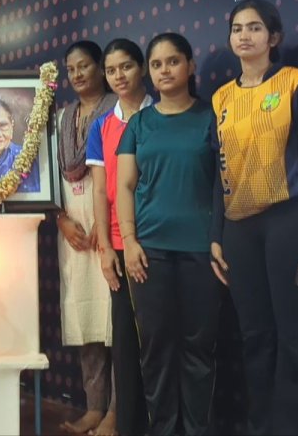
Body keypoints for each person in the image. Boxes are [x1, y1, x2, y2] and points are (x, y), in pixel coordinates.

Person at [208, 0, 298, 435]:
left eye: (255, 28)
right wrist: (217, 233)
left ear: (273, 37)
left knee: (297, 337)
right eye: (237, 28)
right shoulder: (221, 98)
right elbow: (218, 169)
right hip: (240, 230)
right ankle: (263, 427)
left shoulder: (297, 84)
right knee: (255, 338)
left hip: (290, 223)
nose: (245, 36)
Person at [118, 33, 221, 436]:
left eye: (173, 61)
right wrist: (129, 242)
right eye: (157, 64)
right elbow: (125, 186)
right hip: (150, 254)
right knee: (156, 350)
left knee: (199, 350)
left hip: (202, 252)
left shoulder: (212, 117)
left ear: (190, 66)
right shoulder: (139, 124)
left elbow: (224, 184)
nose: (165, 70)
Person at [88, 38, 152, 436]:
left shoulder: (162, 113)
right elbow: (100, 190)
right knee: (126, 343)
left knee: (161, 341)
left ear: (141, 67)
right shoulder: (102, 126)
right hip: (117, 242)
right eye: (111, 70)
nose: (119, 76)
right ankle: (126, 425)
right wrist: (105, 249)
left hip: (159, 238)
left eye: (126, 66)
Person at [55, 41, 117, 435]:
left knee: (117, 324)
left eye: (84, 66)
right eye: (71, 69)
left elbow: (127, 171)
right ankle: (94, 408)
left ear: (100, 68)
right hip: (73, 232)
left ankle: (117, 413)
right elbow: (49, 175)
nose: (77, 75)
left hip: (110, 230)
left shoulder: (119, 109)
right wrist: (61, 219)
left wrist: (106, 221)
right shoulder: (62, 118)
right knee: (86, 321)